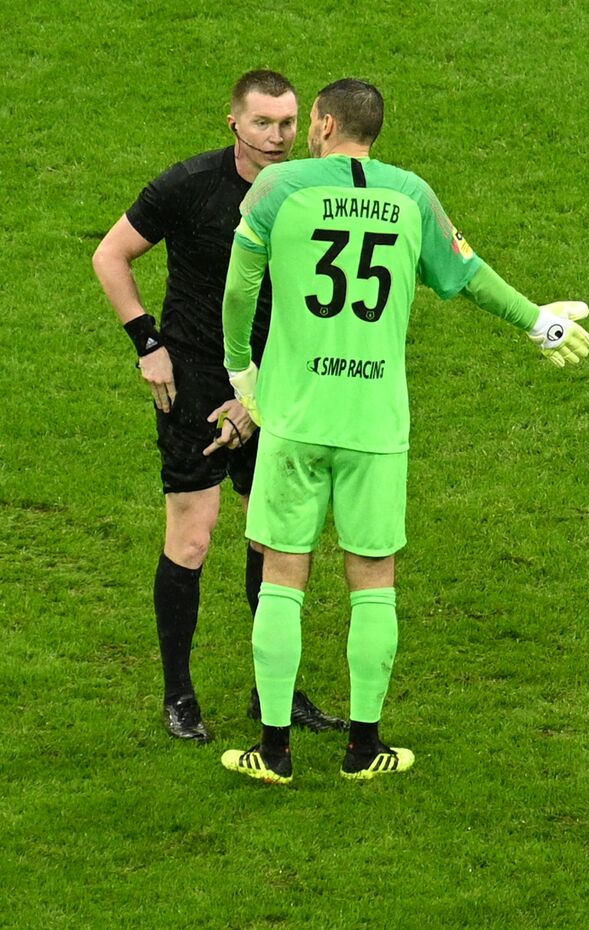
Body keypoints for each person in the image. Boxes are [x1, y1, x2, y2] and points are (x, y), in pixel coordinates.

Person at [216, 78, 589, 785]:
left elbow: (239, 290)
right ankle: (364, 748)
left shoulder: (277, 190)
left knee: (282, 576)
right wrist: (535, 320)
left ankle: (273, 751)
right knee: (373, 581)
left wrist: (241, 372)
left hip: (296, 420)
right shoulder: (412, 196)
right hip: (376, 424)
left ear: (323, 123)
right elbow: (467, 274)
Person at [92, 69, 344, 743]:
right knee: (194, 537)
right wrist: (148, 343)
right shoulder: (189, 185)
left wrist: (262, 396)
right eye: (263, 123)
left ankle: (277, 693)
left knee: (275, 540)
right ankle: (179, 696)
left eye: (288, 123)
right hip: (197, 381)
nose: (277, 136)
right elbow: (112, 255)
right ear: (233, 123)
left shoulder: (311, 194)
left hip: (279, 384)